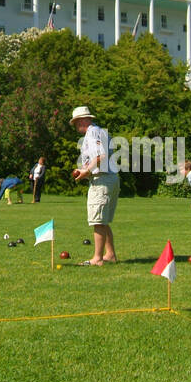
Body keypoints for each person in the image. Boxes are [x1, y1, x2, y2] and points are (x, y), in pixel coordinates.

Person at [70, 106, 119, 266]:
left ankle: (97, 258)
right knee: (102, 220)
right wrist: (84, 170)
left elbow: (100, 156)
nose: (75, 126)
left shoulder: (92, 133)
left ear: (83, 120)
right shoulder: (100, 131)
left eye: (76, 123)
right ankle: (110, 254)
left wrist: (86, 172)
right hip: (109, 178)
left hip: (102, 180)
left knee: (97, 220)